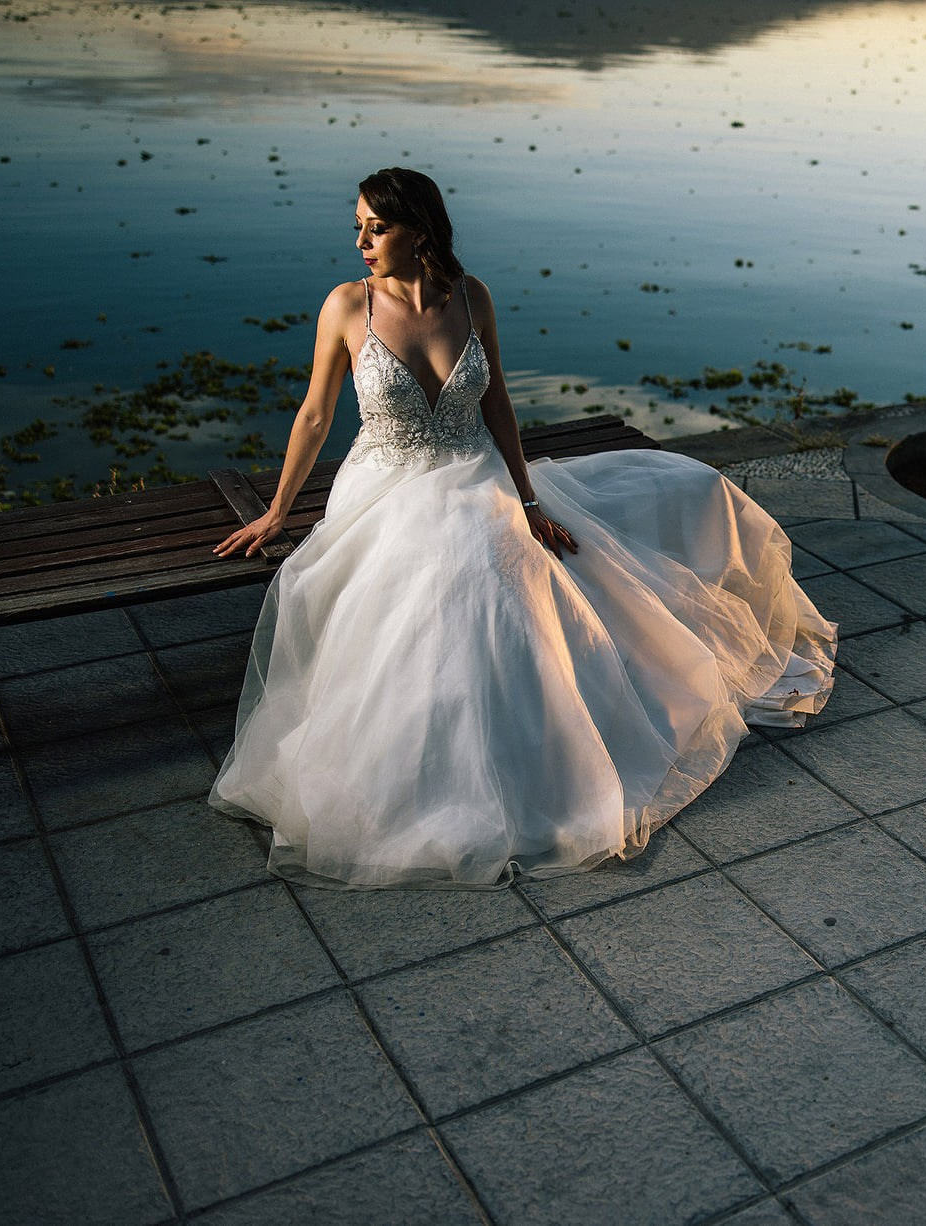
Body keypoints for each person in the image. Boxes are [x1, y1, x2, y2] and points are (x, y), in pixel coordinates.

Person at [208, 167, 836, 888]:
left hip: (478, 471)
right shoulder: (348, 306)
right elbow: (316, 415)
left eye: (376, 228)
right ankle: (444, 764)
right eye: (357, 227)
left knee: (517, 554)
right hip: (388, 483)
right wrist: (280, 510)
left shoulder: (470, 297)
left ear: (421, 229)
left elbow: (498, 402)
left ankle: (544, 749)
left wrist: (530, 498)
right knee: (450, 563)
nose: (360, 242)